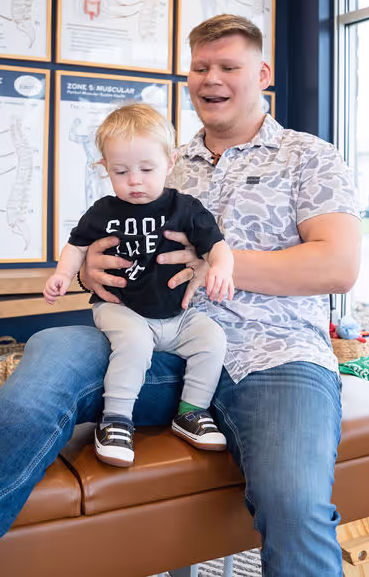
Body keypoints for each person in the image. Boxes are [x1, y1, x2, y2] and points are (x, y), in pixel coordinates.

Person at [0, 14, 361, 577]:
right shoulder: (159, 162)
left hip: (274, 357)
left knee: (295, 503)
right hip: (162, 348)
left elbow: (338, 265)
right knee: (53, 348)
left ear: (261, 73)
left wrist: (217, 263)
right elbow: (105, 246)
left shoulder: (309, 156)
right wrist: (91, 269)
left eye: (228, 66)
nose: (211, 78)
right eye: (200, 67)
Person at [44, 103, 234, 467]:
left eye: (147, 169)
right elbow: (77, 246)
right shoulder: (103, 211)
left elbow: (217, 246)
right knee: (134, 343)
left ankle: (191, 412)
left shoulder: (186, 207)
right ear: (105, 169)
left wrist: (221, 268)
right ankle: (115, 418)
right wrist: (63, 275)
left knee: (212, 339)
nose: (134, 180)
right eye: (120, 171)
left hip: (176, 317)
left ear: (171, 162)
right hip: (121, 308)